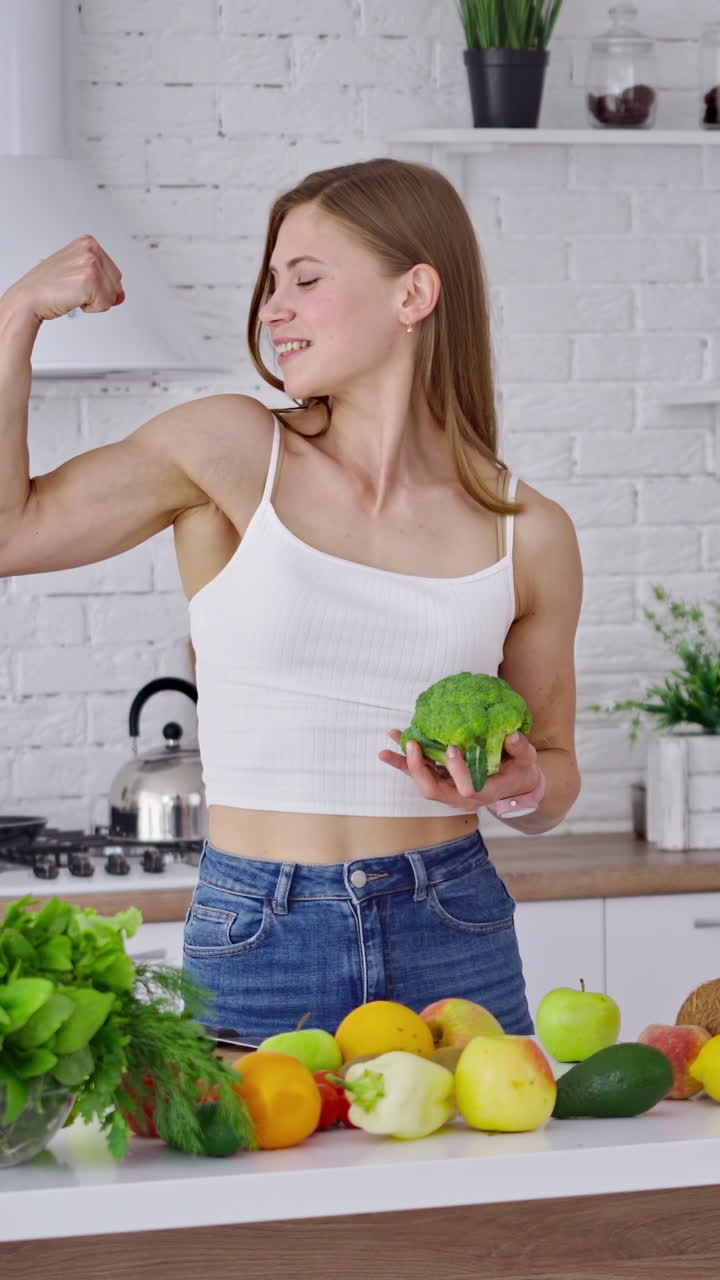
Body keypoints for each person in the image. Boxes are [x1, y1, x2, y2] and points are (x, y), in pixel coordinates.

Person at [0, 158, 581, 1043]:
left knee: (472, 1184)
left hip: (454, 924)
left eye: (305, 280)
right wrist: (16, 316)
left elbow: (555, 774)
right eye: (271, 284)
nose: (273, 309)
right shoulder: (230, 449)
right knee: (249, 1182)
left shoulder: (528, 530)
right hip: (258, 927)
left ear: (413, 292)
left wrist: (524, 784)